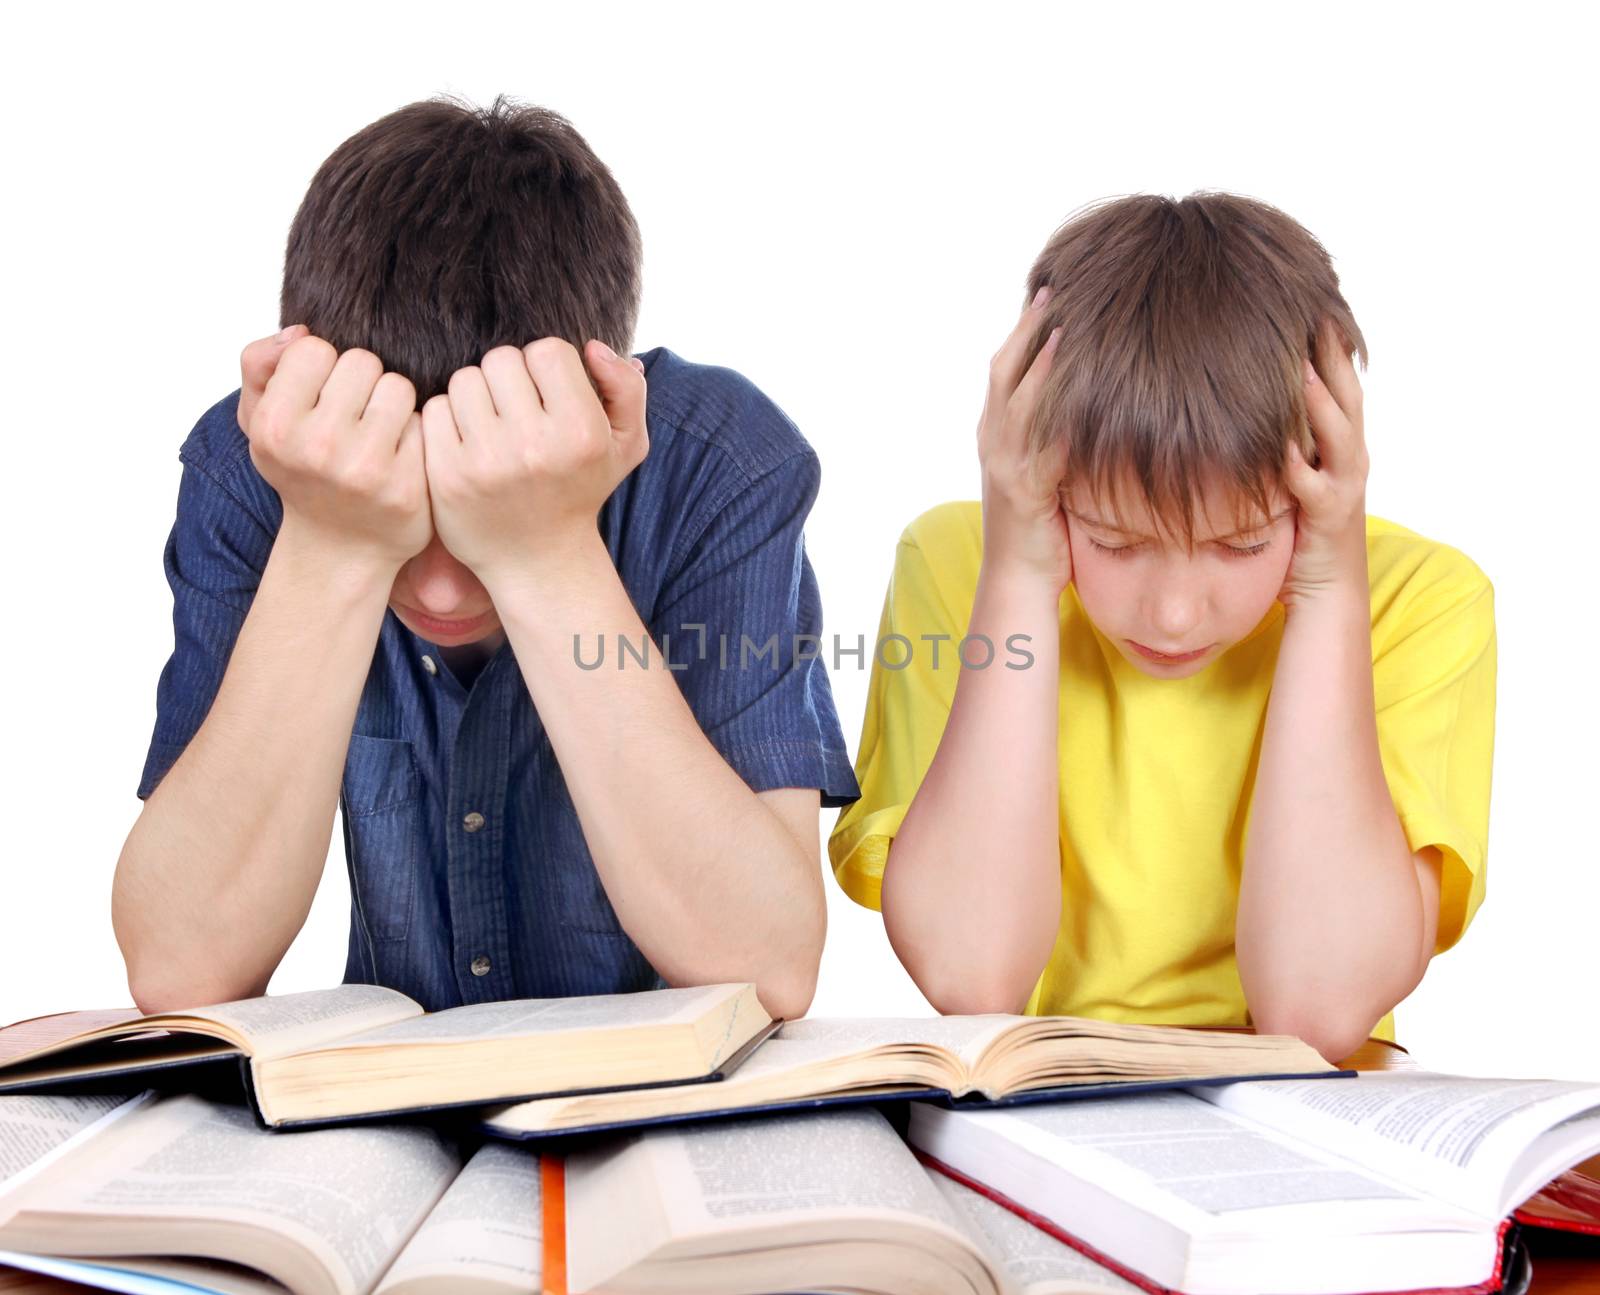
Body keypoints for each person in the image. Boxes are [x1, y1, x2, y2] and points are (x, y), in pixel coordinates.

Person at [113, 95, 859, 1020]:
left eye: (476, 511)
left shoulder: (724, 462)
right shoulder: (256, 472)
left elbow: (768, 967)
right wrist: (331, 542)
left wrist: (545, 549)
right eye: (404, 513)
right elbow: (180, 971)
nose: (437, 584)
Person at [827, 192, 1495, 1063]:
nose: (1176, 612)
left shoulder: (1421, 599)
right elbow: (972, 976)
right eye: (1116, 541)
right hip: (1042, 1115)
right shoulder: (964, 564)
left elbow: (1317, 1011)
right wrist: (1022, 575)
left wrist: (1328, 590)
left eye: (1241, 543)